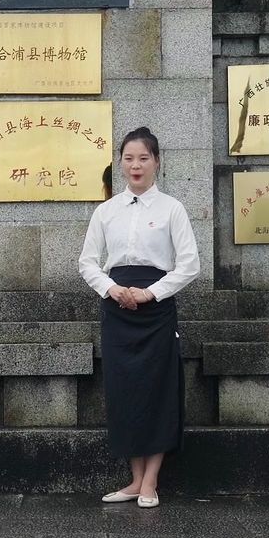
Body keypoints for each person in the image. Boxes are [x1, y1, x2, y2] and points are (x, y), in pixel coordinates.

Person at [78, 126, 200, 509]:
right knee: (124, 390)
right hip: (117, 308)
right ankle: (133, 480)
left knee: (158, 390)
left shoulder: (171, 209)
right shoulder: (106, 211)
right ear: (119, 162)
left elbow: (190, 264)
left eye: (143, 158)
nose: (136, 165)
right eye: (129, 158)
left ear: (157, 162)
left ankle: (151, 481)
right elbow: (87, 262)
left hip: (156, 309)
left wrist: (150, 293)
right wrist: (112, 289)